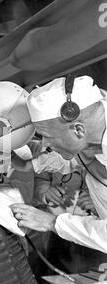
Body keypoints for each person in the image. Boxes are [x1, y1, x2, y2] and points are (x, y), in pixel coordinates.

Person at [10, 75, 107, 253]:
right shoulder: (94, 133)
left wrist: (51, 222)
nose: (45, 144)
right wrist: (31, 165)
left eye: (48, 137)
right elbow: (79, 159)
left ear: (78, 129)